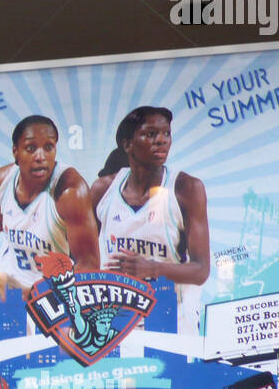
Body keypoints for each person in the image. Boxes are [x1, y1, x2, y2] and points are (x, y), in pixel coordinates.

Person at [90, 106, 210, 334]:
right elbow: (82, 258)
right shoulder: (102, 190)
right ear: (128, 144)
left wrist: (152, 268)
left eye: (166, 134)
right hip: (116, 320)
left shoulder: (187, 189)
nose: (161, 141)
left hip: (170, 316)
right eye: (151, 134)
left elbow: (201, 270)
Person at [0, 115, 100, 302]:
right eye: (31, 148)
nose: (41, 157)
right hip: (7, 284)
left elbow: (89, 264)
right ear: (16, 152)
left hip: (53, 290)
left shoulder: (70, 192)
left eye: (48, 147)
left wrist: (35, 294)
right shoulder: (0, 182)